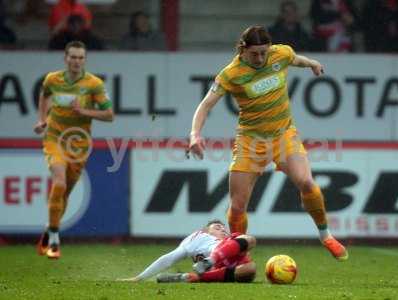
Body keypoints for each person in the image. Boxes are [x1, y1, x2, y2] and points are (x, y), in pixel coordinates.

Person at [188, 26, 348, 261]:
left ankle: (326, 236)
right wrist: (195, 134)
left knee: (307, 183)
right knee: (237, 207)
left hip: (283, 135)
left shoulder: (280, 54)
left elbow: (297, 60)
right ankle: (239, 255)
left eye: (264, 52)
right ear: (243, 50)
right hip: (250, 141)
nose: (261, 58)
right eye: (255, 54)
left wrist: (312, 62)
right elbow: (205, 105)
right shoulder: (231, 74)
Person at [33, 40, 114, 259]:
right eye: (73, 57)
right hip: (55, 137)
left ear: (84, 60)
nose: (76, 61)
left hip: (78, 144)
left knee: (65, 192)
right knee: (58, 183)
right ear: (65, 58)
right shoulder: (53, 79)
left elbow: (109, 115)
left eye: (80, 57)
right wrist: (42, 120)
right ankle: (55, 242)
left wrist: (85, 111)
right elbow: (44, 96)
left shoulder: (93, 84)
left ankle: (48, 232)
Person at [119, 220, 256, 283]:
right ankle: (210, 261)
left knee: (250, 270)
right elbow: (169, 259)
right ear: (206, 231)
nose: (222, 229)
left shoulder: (231, 239)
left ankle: (190, 277)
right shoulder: (199, 238)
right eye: (217, 227)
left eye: (223, 228)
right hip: (216, 264)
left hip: (233, 260)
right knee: (250, 241)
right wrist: (139, 278)